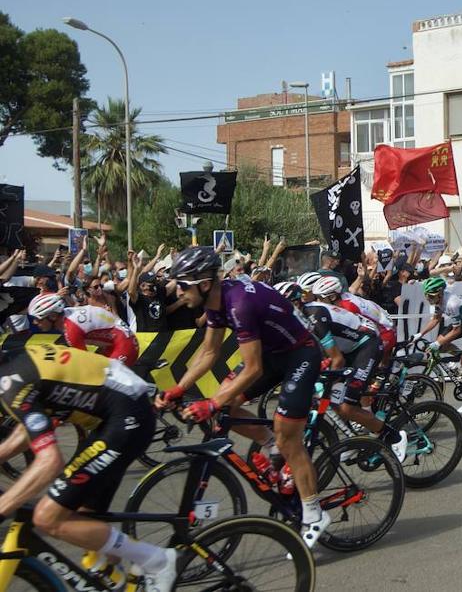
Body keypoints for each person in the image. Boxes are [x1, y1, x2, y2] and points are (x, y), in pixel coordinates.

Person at [154, 247, 328, 548]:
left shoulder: (239, 304)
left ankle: (314, 512)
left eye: (182, 284)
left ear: (204, 283)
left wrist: (210, 402)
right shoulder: (216, 302)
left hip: (300, 354)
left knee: (288, 438)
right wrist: (179, 389)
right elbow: (208, 352)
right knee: (226, 405)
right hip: (274, 354)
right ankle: (269, 443)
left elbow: (253, 368)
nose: (178, 292)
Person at [0, 344, 175, 591]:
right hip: (115, 415)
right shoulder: (14, 362)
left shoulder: (10, 382)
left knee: (46, 517)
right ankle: (125, 580)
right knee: (82, 521)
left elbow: (50, 461)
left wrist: (4, 506)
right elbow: (27, 430)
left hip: (126, 419)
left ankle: (156, 560)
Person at [306, 275, 407, 462]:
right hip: (359, 341)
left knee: (356, 395)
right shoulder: (339, 300)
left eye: (321, 298)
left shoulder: (346, 305)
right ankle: (357, 437)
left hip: (380, 334)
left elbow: (342, 349)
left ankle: (382, 429)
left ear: (332, 296)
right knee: (338, 397)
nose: (318, 301)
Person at [418, 277, 462, 415]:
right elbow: (436, 319)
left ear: (440, 292)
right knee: (441, 344)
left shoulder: (451, 303)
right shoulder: (438, 300)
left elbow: (457, 330)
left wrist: (437, 343)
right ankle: (459, 364)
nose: (428, 299)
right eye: (427, 296)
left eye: (431, 296)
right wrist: (419, 335)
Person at [26, 293, 139, 366]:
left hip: (124, 345)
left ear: (52, 316)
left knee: (102, 384)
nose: (35, 322)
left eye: (38, 319)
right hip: (116, 342)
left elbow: (84, 363)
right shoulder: (68, 315)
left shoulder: (71, 329)